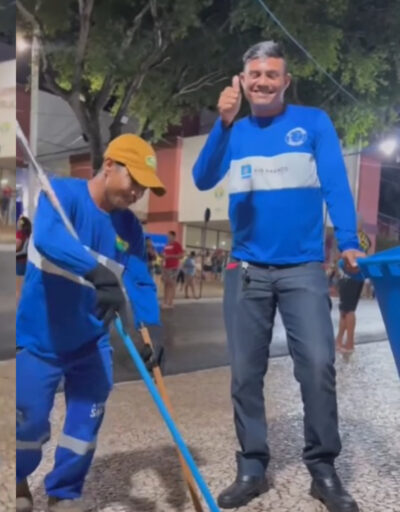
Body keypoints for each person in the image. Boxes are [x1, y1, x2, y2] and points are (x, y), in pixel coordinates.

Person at [193, 41, 364, 511]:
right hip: (246, 270)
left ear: (286, 81)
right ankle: (252, 464)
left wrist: (348, 239)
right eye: (255, 75)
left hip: (304, 268)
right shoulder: (235, 129)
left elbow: (334, 182)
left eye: (272, 74)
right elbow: (203, 178)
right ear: (242, 81)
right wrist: (221, 123)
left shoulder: (313, 123)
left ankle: (323, 468)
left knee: (317, 365)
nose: (263, 81)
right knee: (246, 373)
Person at [15, 134, 164, 512]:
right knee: (28, 421)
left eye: (145, 189)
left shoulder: (129, 228)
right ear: (110, 165)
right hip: (39, 339)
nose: (137, 194)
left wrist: (149, 328)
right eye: (135, 182)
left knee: (86, 420)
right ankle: (18, 479)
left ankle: (64, 492)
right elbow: (48, 238)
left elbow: (139, 279)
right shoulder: (62, 194)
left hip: (90, 342)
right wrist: (97, 272)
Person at [335, 218, 372, 355]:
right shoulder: (365, 238)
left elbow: (346, 256)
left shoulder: (354, 239)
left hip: (350, 276)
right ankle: (340, 340)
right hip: (358, 277)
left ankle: (349, 343)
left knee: (348, 310)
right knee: (345, 310)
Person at [161, 231, 183, 308]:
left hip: (173, 267)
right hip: (166, 267)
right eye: (167, 236)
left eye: (169, 236)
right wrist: (162, 261)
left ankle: (171, 302)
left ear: (174, 236)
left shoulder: (177, 245)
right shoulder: (166, 245)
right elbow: (164, 255)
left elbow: (181, 255)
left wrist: (170, 257)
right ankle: (165, 301)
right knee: (166, 284)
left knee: (172, 284)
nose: (168, 237)